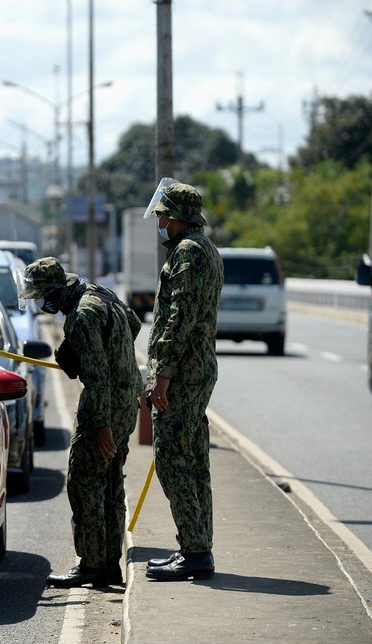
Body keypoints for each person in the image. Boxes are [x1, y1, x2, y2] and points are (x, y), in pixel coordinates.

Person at [19, 256, 142, 588]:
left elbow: (97, 375)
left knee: (84, 483)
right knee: (112, 483)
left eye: (43, 296)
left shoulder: (81, 317)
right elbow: (134, 325)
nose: (42, 304)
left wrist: (100, 425)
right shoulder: (101, 294)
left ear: (56, 292)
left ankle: (91, 564)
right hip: (127, 401)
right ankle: (109, 563)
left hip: (105, 408)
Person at [142, 181, 224, 581]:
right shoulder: (204, 248)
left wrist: (163, 375)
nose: (159, 221)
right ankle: (197, 548)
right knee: (193, 463)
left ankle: (194, 550)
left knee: (173, 462)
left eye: (162, 215)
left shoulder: (189, 252)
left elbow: (181, 317)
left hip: (183, 373)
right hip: (195, 369)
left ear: (175, 217)